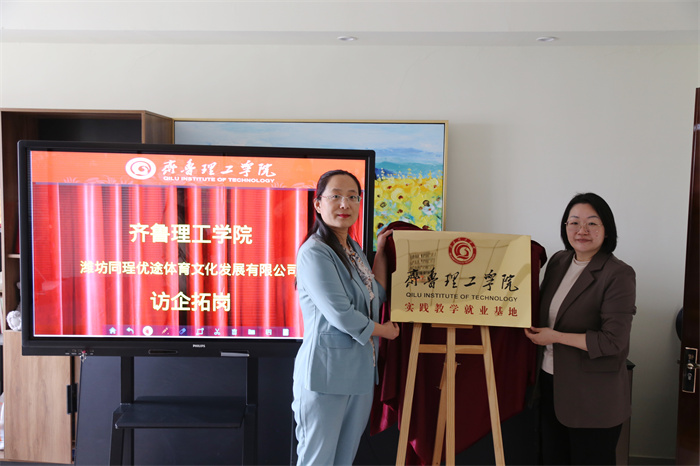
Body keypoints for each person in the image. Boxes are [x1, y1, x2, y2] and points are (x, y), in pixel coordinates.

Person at [292, 169, 400, 465]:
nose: (345, 204)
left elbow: (376, 293)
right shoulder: (315, 252)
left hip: (359, 373)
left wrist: (380, 251)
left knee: (343, 459)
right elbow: (341, 314)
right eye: (336, 196)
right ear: (318, 204)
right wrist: (385, 331)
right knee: (317, 459)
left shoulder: (352, 248)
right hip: (325, 375)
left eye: (353, 197)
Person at [525, 192, 636, 465]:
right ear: (565, 227)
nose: (581, 230)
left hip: (593, 397)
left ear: (606, 229)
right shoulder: (559, 261)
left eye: (592, 223)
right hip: (550, 384)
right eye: (574, 222)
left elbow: (613, 341)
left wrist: (556, 337)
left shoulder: (618, 274)